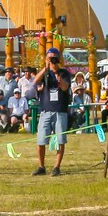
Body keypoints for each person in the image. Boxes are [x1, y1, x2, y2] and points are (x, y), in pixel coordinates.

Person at [32, 48, 71, 176]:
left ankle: (56, 166)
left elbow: (65, 87)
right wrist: (46, 68)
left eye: (54, 58)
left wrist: (58, 76)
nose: (52, 60)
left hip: (60, 111)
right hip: (45, 111)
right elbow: (35, 81)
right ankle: (41, 166)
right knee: (41, 140)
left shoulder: (64, 73)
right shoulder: (45, 73)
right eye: (50, 57)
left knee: (60, 140)